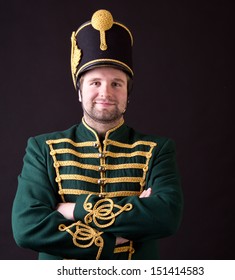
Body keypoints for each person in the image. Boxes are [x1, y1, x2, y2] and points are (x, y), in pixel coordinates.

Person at [12, 9, 183, 260]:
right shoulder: (42, 148)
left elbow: (166, 217)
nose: (106, 92)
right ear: (79, 91)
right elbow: (27, 228)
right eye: (95, 82)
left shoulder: (158, 149)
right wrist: (115, 238)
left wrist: (72, 209)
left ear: (128, 93)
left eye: (117, 83)